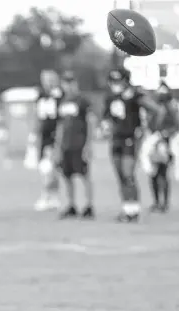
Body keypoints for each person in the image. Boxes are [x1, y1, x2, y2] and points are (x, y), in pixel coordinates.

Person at [100, 68, 165, 222]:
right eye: (113, 81)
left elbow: (157, 110)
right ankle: (126, 208)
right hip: (115, 138)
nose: (115, 84)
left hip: (130, 138)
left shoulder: (135, 95)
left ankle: (134, 209)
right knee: (120, 175)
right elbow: (106, 118)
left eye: (118, 81)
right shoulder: (110, 97)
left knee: (128, 174)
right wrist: (105, 128)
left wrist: (148, 129)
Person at [55, 71, 95, 219]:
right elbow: (60, 126)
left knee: (84, 175)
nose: (68, 86)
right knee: (67, 176)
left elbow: (91, 122)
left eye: (70, 82)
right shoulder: (62, 101)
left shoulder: (82, 101)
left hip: (79, 143)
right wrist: (57, 146)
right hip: (66, 144)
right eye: (65, 83)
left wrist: (88, 144)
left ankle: (89, 205)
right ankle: (71, 205)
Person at [140, 81, 179, 213]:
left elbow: (175, 125)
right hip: (154, 142)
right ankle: (156, 201)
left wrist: (165, 134)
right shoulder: (154, 108)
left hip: (165, 142)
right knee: (153, 174)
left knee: (163, 172)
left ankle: (165, 202)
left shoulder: (172, 108)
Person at [28, 69, 63, 211]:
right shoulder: (41, 96)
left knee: (50, 168)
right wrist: (34, 134)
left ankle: (47, 196)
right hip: (43, 136)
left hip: (55, 136)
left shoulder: (60, 96)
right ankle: (52, 196)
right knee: (46, 168)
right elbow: (37, 116)